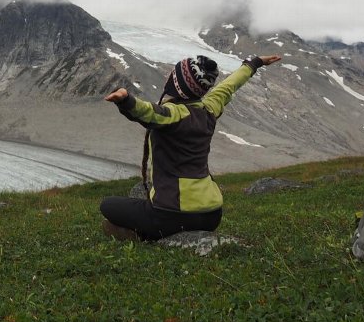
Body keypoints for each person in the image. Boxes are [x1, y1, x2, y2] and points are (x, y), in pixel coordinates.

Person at [100, 53, 282, 241]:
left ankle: (147, 237)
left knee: (108, 205)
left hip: (173, 214)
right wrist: (255, 64)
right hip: (212, 216)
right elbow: (229, 86)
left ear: (177, 83)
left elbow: (148, 112)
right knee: (133, 209)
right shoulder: (209, 109)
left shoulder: (174, 114)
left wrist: (126, 100)